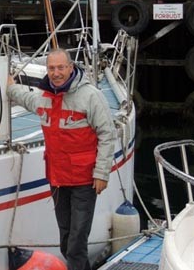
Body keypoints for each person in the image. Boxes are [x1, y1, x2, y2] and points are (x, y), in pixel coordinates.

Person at [7, 48, 115, 270]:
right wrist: (9, 87)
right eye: (51, 68)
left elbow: (107, 134)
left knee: (76, 244)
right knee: (67, 243)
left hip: (85, 181)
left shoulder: (91, 96)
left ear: (71, 67)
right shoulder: (43, 97)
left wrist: (102, 173)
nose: (56, 73)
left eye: (61, 68)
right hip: (57, 180)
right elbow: (25, 98)